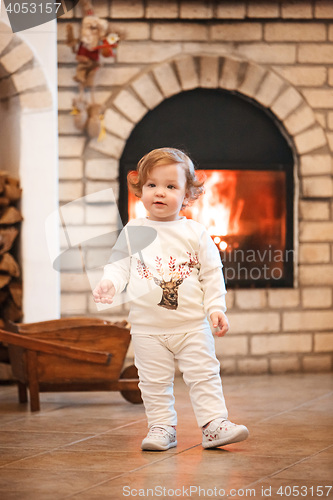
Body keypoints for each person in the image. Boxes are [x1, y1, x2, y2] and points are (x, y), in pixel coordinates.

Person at [93, 147, 249, 451]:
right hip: (147, 328)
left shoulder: (195, 232)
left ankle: (214, 425)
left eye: (170, 186)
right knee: (152, 382)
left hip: (192, 325)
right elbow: (119, 265)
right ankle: (162, 427)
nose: (159, 193)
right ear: (140, 191)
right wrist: (109, 283)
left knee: (204, 374)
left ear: (188, 194)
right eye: (152, 185)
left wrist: (216, 307)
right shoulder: (134, 230)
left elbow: (212, 273)